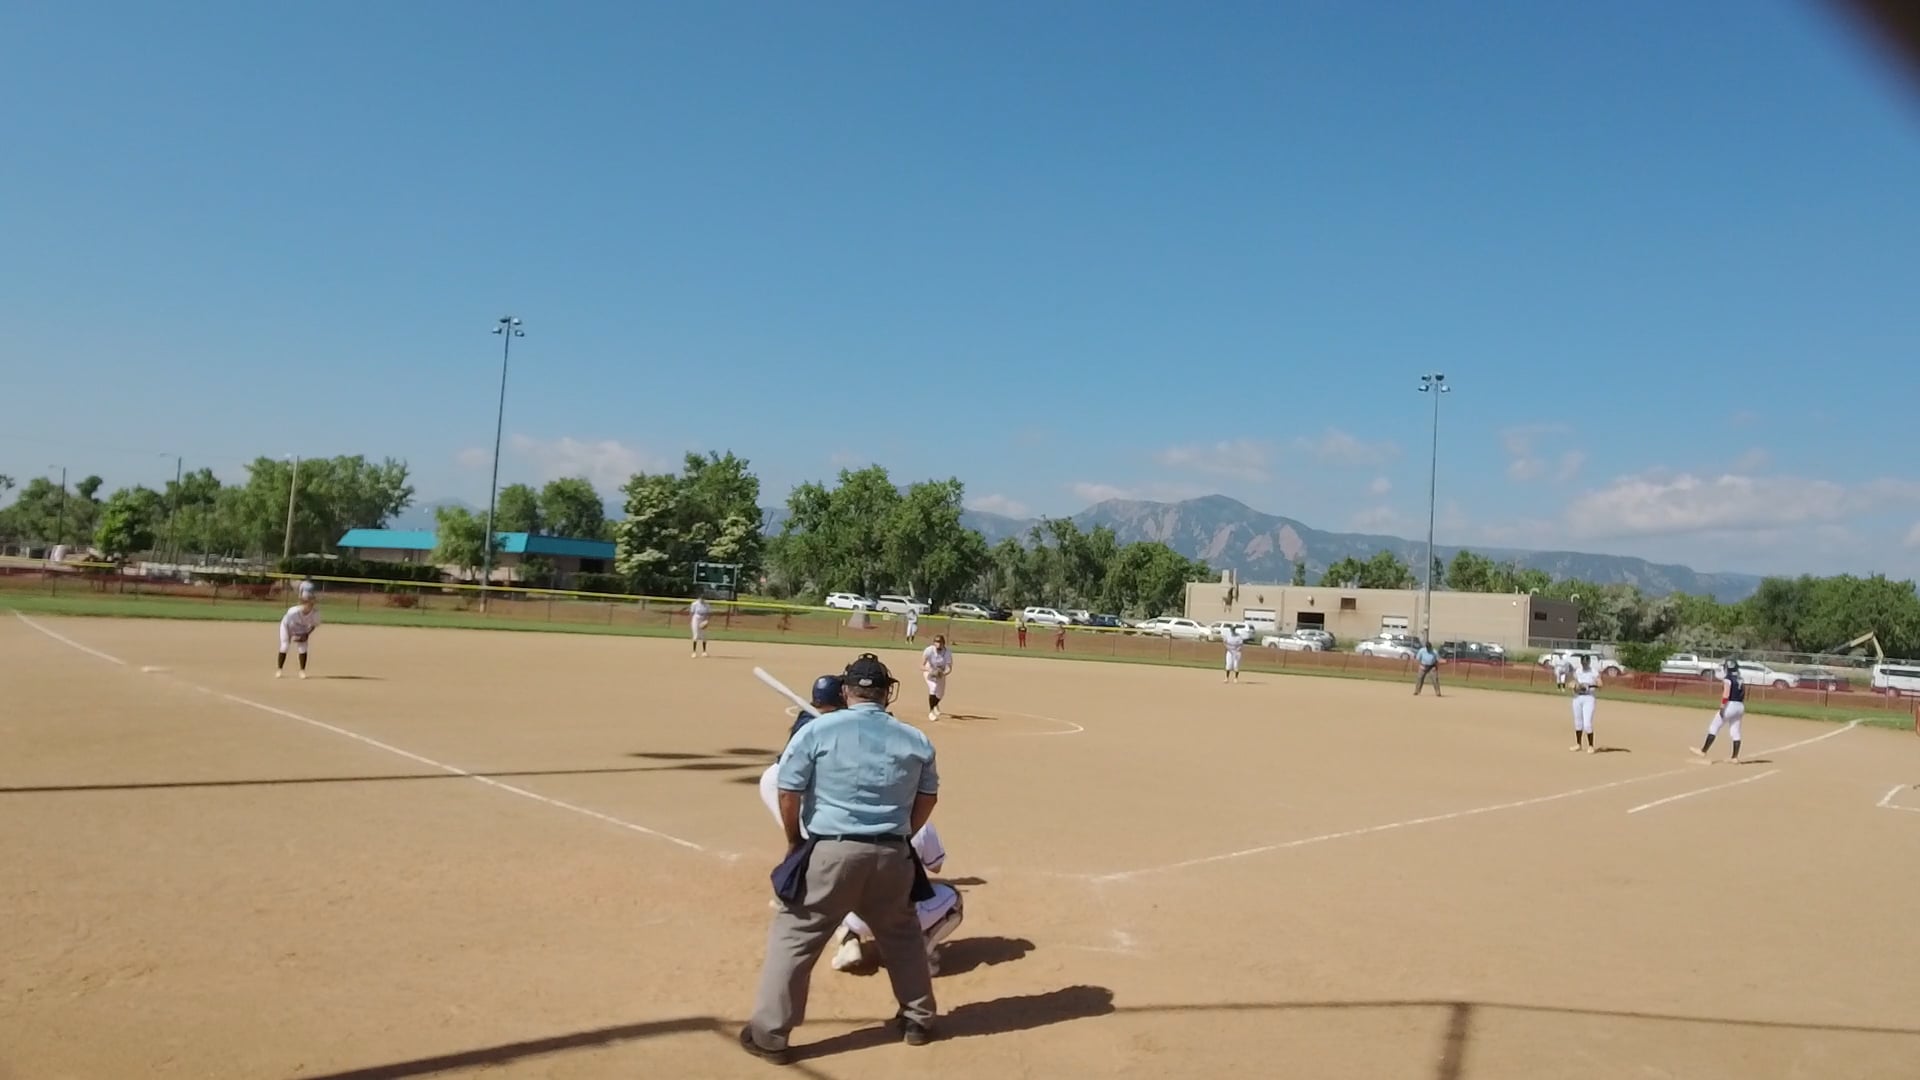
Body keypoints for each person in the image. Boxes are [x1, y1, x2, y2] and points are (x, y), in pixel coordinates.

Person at [742, 653, 940, 1064]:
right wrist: (902, 833)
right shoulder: (916, 740)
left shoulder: (817, 730)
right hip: (892, 853)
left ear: (846, 691)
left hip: (831, 849)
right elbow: (928, 798)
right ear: (887, 693)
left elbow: (787, 791)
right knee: (903, 936)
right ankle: (918, 1019)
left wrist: (795, 840)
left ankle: (770, 1035)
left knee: (795, 937)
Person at [755, 674, 966, 977]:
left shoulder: (819, 726)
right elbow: (936, 865)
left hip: (789, 793)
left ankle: (842, 933)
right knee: (942, 897)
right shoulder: (827, 728)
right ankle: (912, 956)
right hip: (885, 908)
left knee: (821, 854)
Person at [827, 824, 964, 975]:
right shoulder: (922, 827)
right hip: (903, 920)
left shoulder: (849, 824)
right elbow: (936, 867)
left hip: (857, 920)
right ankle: (918, 954)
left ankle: (848, 941)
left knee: (838, 886)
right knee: (955, 900)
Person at [1693, 659, 1746, 763]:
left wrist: (1722, 706)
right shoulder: (1740, 679)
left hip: (1730, 705)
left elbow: (1726, 694)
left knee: (1714, 726)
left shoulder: (1728, 679)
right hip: (1740, 705)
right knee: (1735, 731)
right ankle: (1734, 757)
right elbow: (1743, 692)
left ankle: (1703, 751)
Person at [276, 582, 321, 679]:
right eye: (306, 601)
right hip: (287, 626)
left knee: (303, 648)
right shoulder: (293, 612)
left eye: (311, 601)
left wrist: (306, 634)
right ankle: (279, 670)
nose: (309, 604)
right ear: (302, 602)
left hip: (301, 628)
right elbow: (288, 624)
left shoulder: (315, 614)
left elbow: (313, 625)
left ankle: (302, 671)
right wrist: (294, 636)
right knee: (285, 646)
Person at [1570, 653, 1600, 753]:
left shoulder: (1593, 672)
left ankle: (1591, 746)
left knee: (1587, 724)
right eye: (1583, 662)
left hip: (1588, 698)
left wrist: (1589, 686)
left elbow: (1600, 684)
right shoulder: (1578, 671)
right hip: (1577, 697)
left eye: (1586, 662)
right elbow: (1573, 682)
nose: (1584, 664)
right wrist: (1573, 685)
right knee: (1578, 722)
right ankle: (1578, 744)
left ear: (1589, 662)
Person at [921, 634, 953, 721]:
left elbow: (949, 668)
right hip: (929, 672)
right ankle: (931, 712)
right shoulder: (929, 650)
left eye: (940, 642)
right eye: (936, 642)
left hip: (940, 673)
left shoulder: (947, 653)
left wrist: (943, 673)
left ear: (943, 643)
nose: (938, 644)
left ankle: (935, 704)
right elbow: (921, 666)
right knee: (933, 688)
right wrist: (930, 670)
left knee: (940, 694)